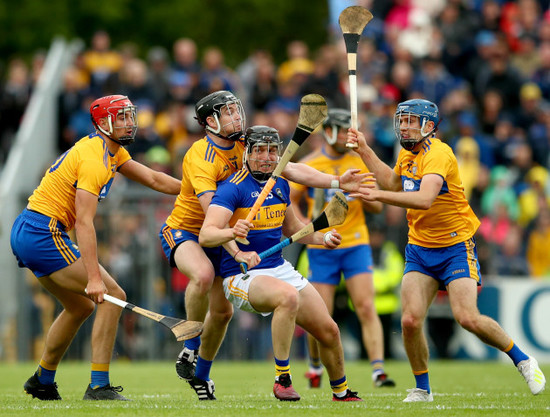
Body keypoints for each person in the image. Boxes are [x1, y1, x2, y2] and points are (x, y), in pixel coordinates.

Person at [158, 90, 370, 400]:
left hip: (234, 237)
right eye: (227, 112)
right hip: (192, 229)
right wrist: (237, 247)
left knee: (222, 314)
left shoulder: (247, 143)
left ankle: (201, 377)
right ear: (209, 121)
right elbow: (211, 222)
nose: (236, 116)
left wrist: (337, 183)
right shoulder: (201, 158)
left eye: (235, 110)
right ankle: (191, 345)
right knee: (203, 275)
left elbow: (290, 169)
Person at [346, 98, 547, 402]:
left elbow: (424, 198)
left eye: (410, 121)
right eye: (401, 120)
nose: (404, 126)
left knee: (467, 317)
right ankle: (422, 388)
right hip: (420, 247)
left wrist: (378, 196)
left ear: (428, 126)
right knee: (410, 321)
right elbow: (391, 181)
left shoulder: (439, 153)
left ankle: (522, 359)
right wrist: (364, 150)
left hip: (454, 245)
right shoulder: (407, 154)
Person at [11, 95, 182, 401]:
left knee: (81, 307)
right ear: (103, 123)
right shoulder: (94, 158)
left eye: (131, 116)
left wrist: (200, 190)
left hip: (32, 230)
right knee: (113, 295)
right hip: (43, 231)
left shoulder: (111, 152)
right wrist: (93, 277)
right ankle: (98, 385)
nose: (130, 122)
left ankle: (42, 380)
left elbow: (155, 179)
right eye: (122, 117)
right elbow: (85, 223)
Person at [199, 125, 362, 402]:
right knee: (287, 298)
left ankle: (341, 392)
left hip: (278, 268)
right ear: (247, 153)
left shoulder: (280, 184)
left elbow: (294, 229)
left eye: (273, 150)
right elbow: (206, 234)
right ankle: (282, 378)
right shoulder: (232, 189)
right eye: (260, 150)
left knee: (329, 330)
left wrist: (323, 238)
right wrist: (232, 234)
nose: (267, 157)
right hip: (241, 274)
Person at [289, 109, 395, 389]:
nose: (349, 133)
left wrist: (358, 192)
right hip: (323, 245)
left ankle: (378, 370)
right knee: (319, 314)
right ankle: (314, 367)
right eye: (343, 128)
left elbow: (376, 206)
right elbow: (289, 199)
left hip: (355, 243)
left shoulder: (358, 161)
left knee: (365, 306)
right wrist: (306, 225)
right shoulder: (312, 162)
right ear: (329, 131)